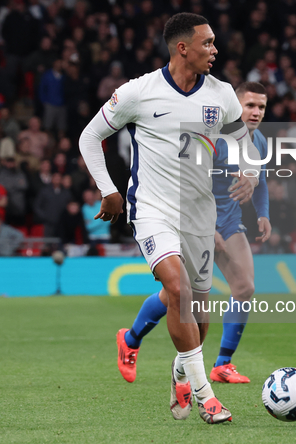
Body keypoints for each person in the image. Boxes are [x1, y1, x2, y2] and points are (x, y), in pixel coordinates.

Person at [79, 13, 259, 424]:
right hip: (153, 210)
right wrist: (108, 189)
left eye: (214, 43)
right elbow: (89, 136)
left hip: (199, 214)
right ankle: (205, 397)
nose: (215, 50)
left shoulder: (223, 94)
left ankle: (181, 371)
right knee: (175, 289)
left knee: (198, 314)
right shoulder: (138, 92)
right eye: (207, 43)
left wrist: (249, 173)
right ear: (183, 48)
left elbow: (242, 143)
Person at [118, 81, 271, 385]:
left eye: (261, 107)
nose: (255, 112)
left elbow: (261, 179)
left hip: (229, 222)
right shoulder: (214, 136)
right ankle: (131, 339)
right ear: (233, 105)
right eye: (249, 105)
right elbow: (186, 183)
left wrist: (263, 213)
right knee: (176, 295)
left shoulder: (260, 142)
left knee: (245, 288)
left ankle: (223, 364)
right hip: (195, 220)